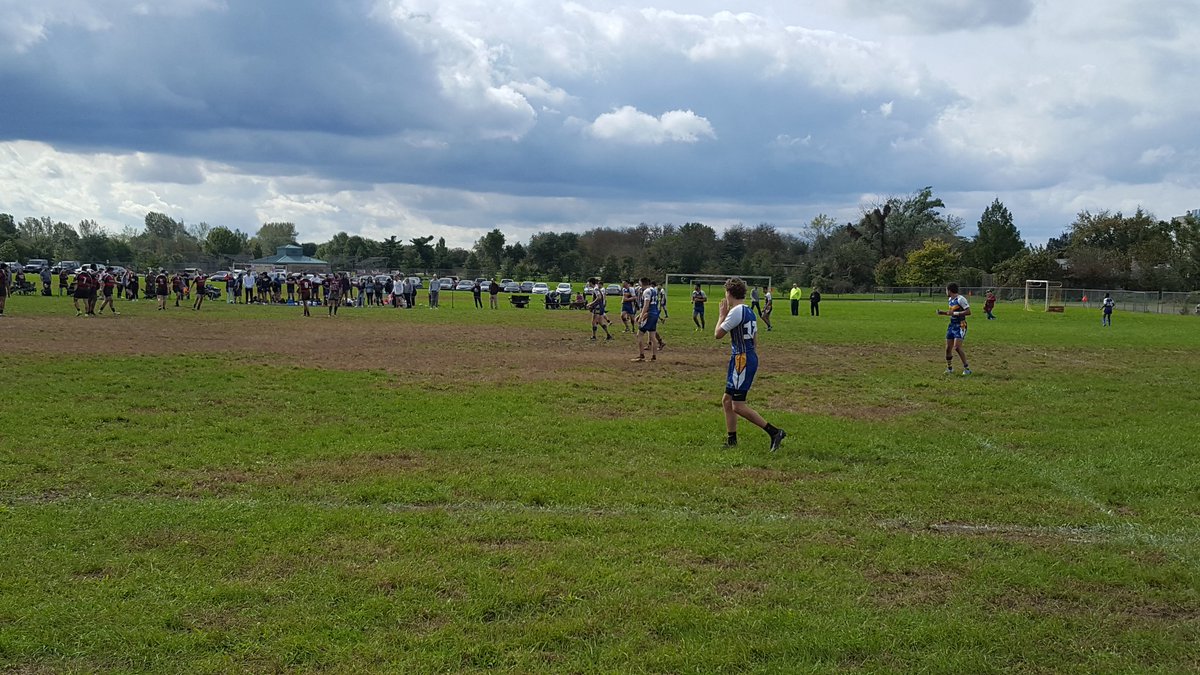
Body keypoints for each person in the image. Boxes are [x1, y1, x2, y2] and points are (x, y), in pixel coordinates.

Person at [715, 277, 786, 451]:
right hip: (744, 356)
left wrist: (721, 316)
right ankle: (732, 440)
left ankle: (775, 432)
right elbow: (755, 340)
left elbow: (718, 334)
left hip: (742, 359)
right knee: (727, 400)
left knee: (737, 406)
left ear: (729, 293)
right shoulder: (749, 311)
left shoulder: (735, 311)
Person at [937, 282, 971, 375]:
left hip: (961, 325)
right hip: (952, 325)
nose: (945, 292)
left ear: (949, 290)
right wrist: (943, 313)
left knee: (957, 347)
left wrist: (956, 314)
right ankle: (949, 368)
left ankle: (967, 368)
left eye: (946, 290)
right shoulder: (950, 299)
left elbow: (968, 312)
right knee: (948, 348)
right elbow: (951, 312)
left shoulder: (961, 299)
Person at [632, 277, 661, 362]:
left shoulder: (646, 291)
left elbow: (646, 305)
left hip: (649, 315)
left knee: (639, 334)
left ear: (642, 283)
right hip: (655, 314)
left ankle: (641, 356)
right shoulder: (654, 290)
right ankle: (654, 357)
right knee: (652, 336)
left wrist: (641, 316)